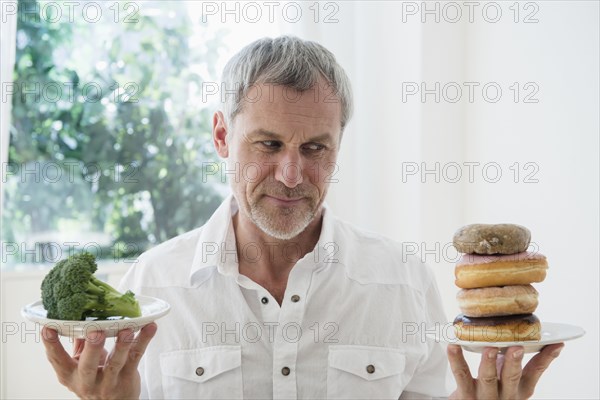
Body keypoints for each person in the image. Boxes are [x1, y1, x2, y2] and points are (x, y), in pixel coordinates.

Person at [41, 35, 563, 399]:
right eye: (268, 144)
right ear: (223, 136)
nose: (292, 175)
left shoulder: (402, 281)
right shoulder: (153, 286)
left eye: (315, 148)